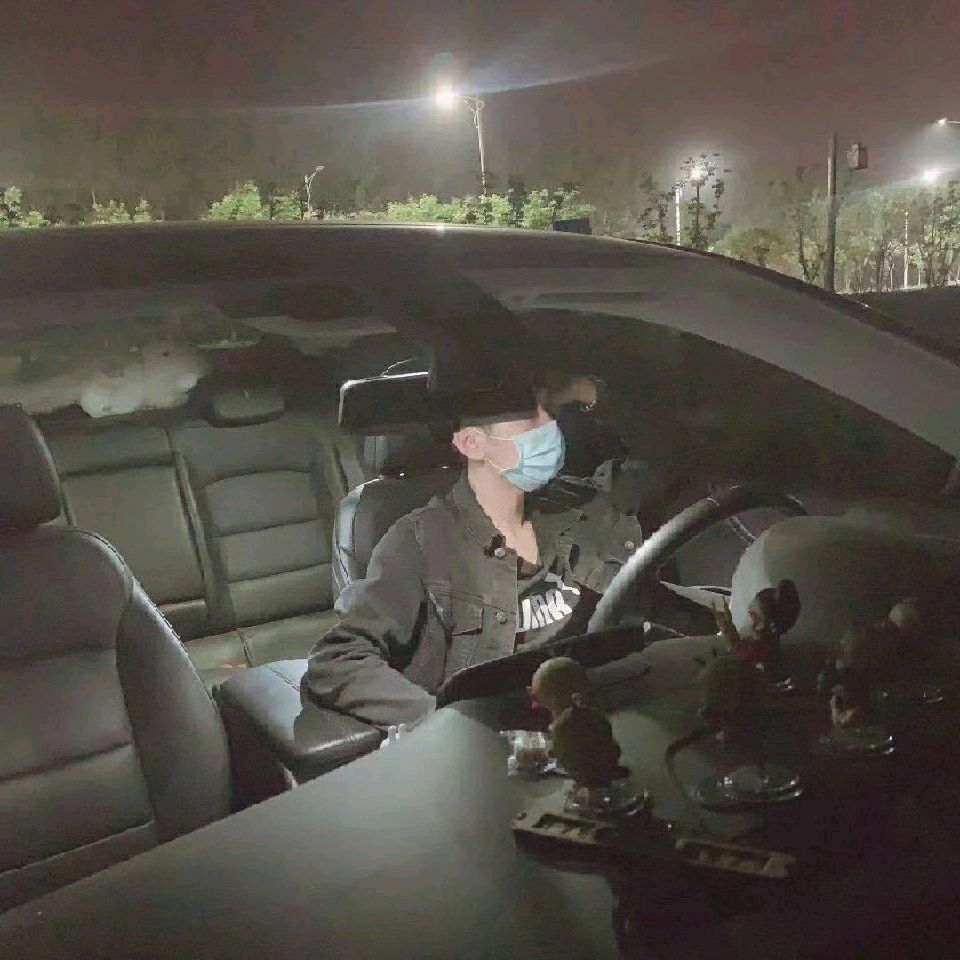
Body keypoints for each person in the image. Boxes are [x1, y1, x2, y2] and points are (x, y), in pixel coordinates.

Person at [302, 375, 644, 733]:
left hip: (600, 722)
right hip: (502, 744)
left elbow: (665, 459)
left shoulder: (581, 506)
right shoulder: (421, 540)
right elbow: (338, 658)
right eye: (529, 416)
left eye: (549, 410)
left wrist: (584, 391)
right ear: (471, 443)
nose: (550, 424)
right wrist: (446, 723)